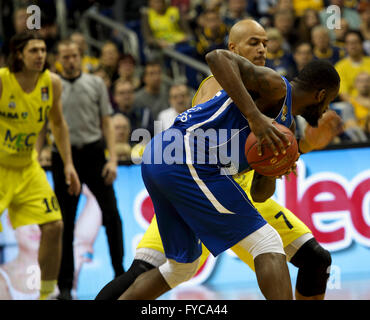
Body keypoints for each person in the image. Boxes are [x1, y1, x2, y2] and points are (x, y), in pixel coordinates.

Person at [103, 18, 340, 300]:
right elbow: (215, 56)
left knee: (183, 266)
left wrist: (283, 160)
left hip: (170, 161)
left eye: (265, 43)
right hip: (186, 161)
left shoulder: (283, 126)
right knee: (267, 243)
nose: (263, 49)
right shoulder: (273, 85)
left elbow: (259, 194)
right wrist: (254, 118)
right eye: (255, 43)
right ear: (321, 95)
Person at [0, 31, 80, 300]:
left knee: (55, 225)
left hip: (27, 167)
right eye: (33, 50)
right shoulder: (2, 82)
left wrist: (68, 164)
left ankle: (47, 295)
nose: (40, 55)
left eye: (43, 50)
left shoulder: (52, 83)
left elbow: (57, 123)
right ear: (19, 55)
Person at [52, 39, 124, 300]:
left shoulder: (95, 84)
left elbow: (107, 122)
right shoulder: (51, 84)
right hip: (63, 156)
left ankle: (120, 276)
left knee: (112, 217)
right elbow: (42, 121)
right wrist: (39, 151)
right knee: (65, 225)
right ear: (58, 58)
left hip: (94, 153)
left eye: (74, 56)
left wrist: (112, 158)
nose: (70, 60)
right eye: (65, 56)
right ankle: (65, 287)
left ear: (80, 57)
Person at [335, 30, 370, 102]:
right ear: (345, 46)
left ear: (361, 44)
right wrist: (365, 104)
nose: (353, 46)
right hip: (352, 106)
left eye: (356, 42)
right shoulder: (340, 67)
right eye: (350, 43)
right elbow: (343, 94)